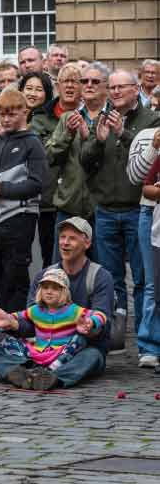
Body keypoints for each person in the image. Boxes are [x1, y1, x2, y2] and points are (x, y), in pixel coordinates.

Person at [0, 218, 114, 389]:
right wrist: (12, 323)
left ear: (87, 242)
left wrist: (89, 326)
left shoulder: (100, 276)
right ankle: (23, 373)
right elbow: (33, 322)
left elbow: (104, 323)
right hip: (42, 350)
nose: (65, 243)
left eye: (72, 238)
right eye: (62, 237)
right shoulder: (44, 276)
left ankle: (52, 377)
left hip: (81, 348)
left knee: (92, 357)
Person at [78, 68, 157, 333]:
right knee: (112, 278)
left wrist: (123, 133)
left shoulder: (151, 119)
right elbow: (85, 162)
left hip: (138, 209)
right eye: (111, 88)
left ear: (136, 89)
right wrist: (98, 142)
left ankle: (145, 334)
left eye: (121, 87)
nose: (116, 92)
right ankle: (115, 332)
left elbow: (152, 158)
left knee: (144, 277)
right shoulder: (102, 118)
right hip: (106, 210)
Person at [0, 87, 48, 311]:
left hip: (18, 217)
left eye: (11, 114)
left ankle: (14, 325)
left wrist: (1, 188)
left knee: (14, 276)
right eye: (2, 113)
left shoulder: (32, 143)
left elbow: (38, 184)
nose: (5, 119)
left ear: (24, 112)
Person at [0, 264, 106, 391]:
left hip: (63, 357)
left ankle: (52, 378)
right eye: (45, 287)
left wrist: (91, 321)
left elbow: (101, 315)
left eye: (55, 288)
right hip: (34, 356)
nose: (49, 291)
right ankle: (18, 374)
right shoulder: (35, 310)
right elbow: (17, 316)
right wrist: (7, 319)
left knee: (92, 354)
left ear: (64, 292)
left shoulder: (74, 311)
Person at [44, 63, 95, 230]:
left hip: (94, 203)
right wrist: (68, 134)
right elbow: (50, 156)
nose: (70, 85)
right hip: (67, 202)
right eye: (66, 81)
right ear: (58, 86)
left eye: (75, 81)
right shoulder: (65, 118)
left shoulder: (97, 115)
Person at [126, 126, 160, 370]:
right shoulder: (149, 135)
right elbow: (140, 181)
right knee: (153, 285)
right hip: (153, 215)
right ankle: (150, 346)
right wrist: (154, 146)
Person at [22, 71, 59, 267]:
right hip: (17, 201)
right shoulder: (5, 116)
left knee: (47, 256)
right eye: (28, 88)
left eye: (39, 89)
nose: (32, 94)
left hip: (47, 200)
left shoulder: (53, 119)